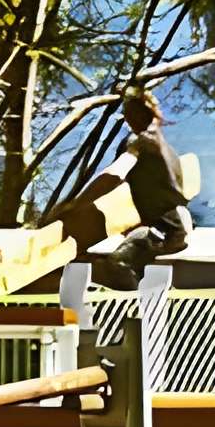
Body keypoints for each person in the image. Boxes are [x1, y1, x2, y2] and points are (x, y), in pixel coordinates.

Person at [76, 90, 193, 287]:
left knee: (116, 264)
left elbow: (113, 177)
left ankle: (136, 302)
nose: (127, 119)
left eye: (129, 113)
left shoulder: (141, 143)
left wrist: (77, 204)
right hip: (178, 222)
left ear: (140, 114)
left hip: (165, 230)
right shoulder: (160, 142)